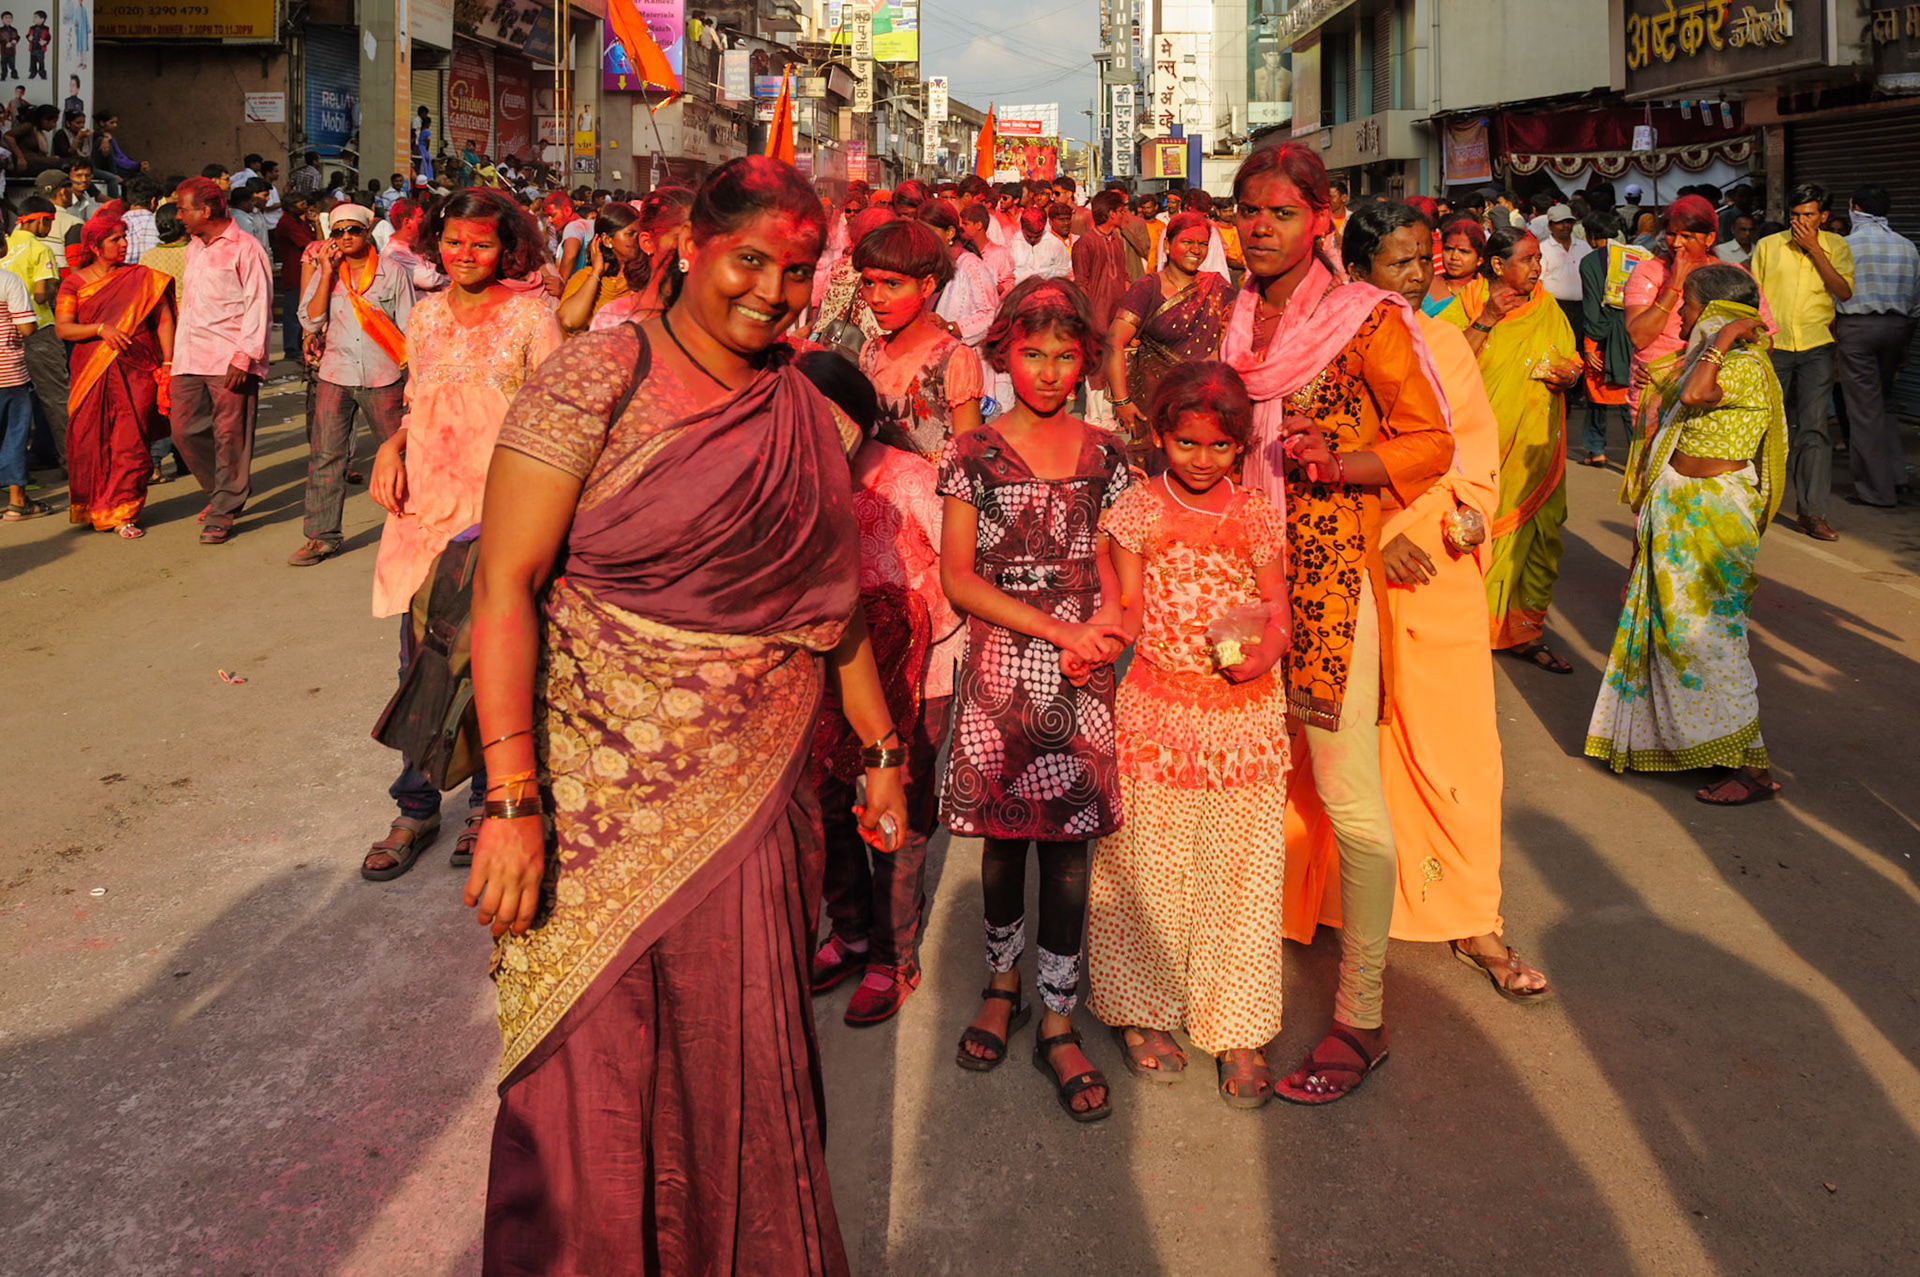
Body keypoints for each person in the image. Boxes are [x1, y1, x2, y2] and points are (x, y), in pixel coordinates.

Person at [465, 156, 901, 1275]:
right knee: (586, 1085)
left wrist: (884, 752)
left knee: (739, 1061)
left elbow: (832, 608)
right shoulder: (594, 379)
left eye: (798, 271)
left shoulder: (801, 405)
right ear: (685, 250)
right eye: (749, 260)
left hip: (752, 802)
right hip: (592, 805)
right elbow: (503, 584)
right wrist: (511, 800)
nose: (772, 290)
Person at [1222, 143, 1453, 1105]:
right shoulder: (1235, 322)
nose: (1260, 225)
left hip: (1327, 585)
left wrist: (1338, 462)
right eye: (1248, 210)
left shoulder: (1367, 322)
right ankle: (1229, 992)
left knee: (1350, 801)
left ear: (1322, 218)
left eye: (1280, 210)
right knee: (1238, 782)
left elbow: (1431, 440)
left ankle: (1361, 1017)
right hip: (1237, 570)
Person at [1289, 199, 1548, 1003]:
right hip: (1341, 563)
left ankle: (1474, 915)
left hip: (1429, 568)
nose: (1419, 275)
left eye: (1422, 261)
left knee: (1455, 744)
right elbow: (1297, 453)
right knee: (1336, 746)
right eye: (1399, 263)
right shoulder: (1321, 340)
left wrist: (1424, 525)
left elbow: (1469, 465)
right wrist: (1368, 534)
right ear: (1356, 267)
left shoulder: (1439, 343)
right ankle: (1327, 894)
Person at [940, 276, 1129, 1123]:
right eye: (1032, 352)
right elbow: (957, 578)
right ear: (1003, 354)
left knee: (1068, 850)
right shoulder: (969, 452)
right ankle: (1001, 980)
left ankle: (1057, 1015)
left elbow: (1126, 569)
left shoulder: (1108, 453)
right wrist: (1060, 631)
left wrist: (1108, 631)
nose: (1048, 370)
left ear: (1084, 359)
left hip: (1086, 673)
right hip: (1003, 670)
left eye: (1064, 354)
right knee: (1002, 842)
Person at [1086, 361, 1292, 1107]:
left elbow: (1277, 607)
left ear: (1240, 446)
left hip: (1244, 719)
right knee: (1150, 869)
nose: (1202, 459)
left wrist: (1264, 654)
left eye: (1219, 446)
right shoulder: (1139, 511)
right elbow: (1128, 602)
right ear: (1159, 437)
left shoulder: (1257, 514)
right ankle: (1143, 1012)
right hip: (1157, 712)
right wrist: (1102, 642)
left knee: (1239, 875)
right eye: (1186, 442)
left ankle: (1235, 1023)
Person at [356, 189, 559, 882]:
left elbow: (557, 419)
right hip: (424, 506)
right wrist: (392, 446)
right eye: (452, 241)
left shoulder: (534, 315)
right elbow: (420, 397)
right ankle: (415, 804)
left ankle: (486, 799)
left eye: (481, 244)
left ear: (508, 248)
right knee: (420, 659)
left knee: (487, 659)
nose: (464, 256)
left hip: (499, 510)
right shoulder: (429, 314)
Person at [1586, 264, 1786, 806]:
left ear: (1719, 312)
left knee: (1713, 639)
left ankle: (1751, 768)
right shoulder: (1707, 359)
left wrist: (1722, 337)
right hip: (1682, 509)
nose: (1683, 314)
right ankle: (1689, 745)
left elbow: (1696, 395)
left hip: (1713, 515)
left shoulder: (1740, 363)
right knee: (1674, 635)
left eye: (1692, 305)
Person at [803, 349, 960, 1027]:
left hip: (919, 674)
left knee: (898, 810)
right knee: (827, 800)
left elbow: (961, 572)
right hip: (829, 670)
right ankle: (850, 928)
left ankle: (893, 954)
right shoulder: (798, 487)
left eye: (830, 418)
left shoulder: (912, 478)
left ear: (860, 413)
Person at [1435, 227, 1582, 671]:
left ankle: (1524, 632)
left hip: (1535, 450)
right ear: (1498, 265)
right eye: (1528, 260)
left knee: (1540, 536)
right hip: (1482, 449)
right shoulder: (1465, 304)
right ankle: (1468, 631)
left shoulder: (1547, 306)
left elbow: (1569, 357)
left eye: (1539, 260)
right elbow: (1442, 364)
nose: (1537, 268)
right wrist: (1486, 320)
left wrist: (1569, 376)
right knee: (1473, 535)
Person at [290, 203, 415, 567]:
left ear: (367, 232)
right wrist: (325, 271)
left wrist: (413, 379)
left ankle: (412, 528)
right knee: (325, 455)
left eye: (353, 231)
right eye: (338, 231)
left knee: (399, 455)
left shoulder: (392, 272)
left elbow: (408, 326)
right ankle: (320, 536)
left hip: (384, 376)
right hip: (335, 374)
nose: (345, 237)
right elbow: (311, 321)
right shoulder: (328, 273)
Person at [51, 204, 175, 537]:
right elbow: (64, 328)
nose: (123, 244)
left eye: (124, 238)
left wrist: (168, 362)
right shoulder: (73, 284)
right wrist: (100, 329)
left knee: (130, 440)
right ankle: (95, 506)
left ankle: (124, 512)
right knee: (89, 438)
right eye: (114, 239)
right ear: (94, 247)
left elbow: (164, 319)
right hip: (90, 371)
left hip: (137, 369)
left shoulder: (140, 277)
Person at [1749, 182, 1854, 541]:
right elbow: (1754, 297)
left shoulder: (1837, 246)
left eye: (1808, 215)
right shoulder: (1768, 246)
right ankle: (1756, 505)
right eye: (1795, 215)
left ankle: (1812, 514)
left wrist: (1815, 251)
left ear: (1823, 217)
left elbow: (1843, 291)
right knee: (1764, 427)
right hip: (1773, 348)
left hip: (1815, 347)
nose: (1800, 222)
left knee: (1814, 430)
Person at [171, 176, 272, 545]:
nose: (178, 215)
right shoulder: (193, 248)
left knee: (231, 436)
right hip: (189, 357)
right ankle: (222, 493)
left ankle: (224, 510)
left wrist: (245, 357)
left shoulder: (247, 249)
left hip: (230, 358)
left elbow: (258, 306)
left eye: (183, 208)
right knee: (183, 431)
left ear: (206, 210)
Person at [1103, 210, 1235, 469]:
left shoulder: (1217, 287)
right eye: (1187, 242)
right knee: (1159, 481)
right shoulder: (1148, 288)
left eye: (1202, 244)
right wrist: (1122, 402)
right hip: (1156, 406)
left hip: (1205, 403)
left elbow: (1236, 340)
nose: (1195, 250)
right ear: (1168, 244)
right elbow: (1113, 342)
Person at [854, 217, 984, 457]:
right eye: (868, 283)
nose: (876, 298)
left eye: (892, 284)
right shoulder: (870, 352)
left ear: (926, 286)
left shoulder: (954, 360)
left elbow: (968, 461)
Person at [1831, 184, 1919, 509]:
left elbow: (1833, 295)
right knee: (1885, 403)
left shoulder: (1845, 246)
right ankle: (1898, 477)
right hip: (1897, 328)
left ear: (1855, 208)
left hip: (1857, 328)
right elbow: (1915, 303)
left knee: (1864, 411)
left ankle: (1875, 490)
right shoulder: (1907, 247)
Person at [585, 184, 694, 330]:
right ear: (647, 243)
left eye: (702, 240)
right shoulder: (614, 319)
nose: (692, 249)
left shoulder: (714, 317)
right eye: (679, 239)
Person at [1578, 211, 1635, 468]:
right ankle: (1637, 455)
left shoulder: (1590, 262)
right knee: (1631, 397)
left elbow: (1591, 306)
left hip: (1603, 336)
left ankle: (1596, 449)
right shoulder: (1636, 255)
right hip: (1633, 333)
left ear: (1591, 236)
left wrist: (1589, 343)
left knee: (1596, 397)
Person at [917, 198, 998, 346]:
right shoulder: (921, 263)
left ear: (950, 232)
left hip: (960, 357)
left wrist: (949, 326)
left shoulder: (970, 266)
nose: (923, 239)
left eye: (929, 233)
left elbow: (989, 316)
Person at [555, 201, 641, 335]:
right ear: (607, 240)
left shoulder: (643, 277)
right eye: (630, 234)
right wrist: (596, 273)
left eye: (640, 234)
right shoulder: (585, 277)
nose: (638, 240)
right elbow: (569, 321)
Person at [0, 242, 37, 523]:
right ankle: (16, 503)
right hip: (9, 372)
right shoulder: (9, 280)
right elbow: (26, 327)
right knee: (15, 435)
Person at [270, 189, 318, 360]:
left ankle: (298, 345)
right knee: (293, 312)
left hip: (305, 272)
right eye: (301, 204)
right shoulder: (287, 224)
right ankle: (291, 348)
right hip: (294, 272)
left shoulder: (300, 222)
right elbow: (309, 244)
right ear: (291, 206)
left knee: (302, 310)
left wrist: (316, 223)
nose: (304, 207)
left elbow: (317, 241)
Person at [1538, 202, 1588, 340]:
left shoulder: (1584, 246)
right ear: (1550, 226)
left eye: (1568, 222)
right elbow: (1538, 281)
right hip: (1554, 307)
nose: (1565, 226)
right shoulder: (1542, 248)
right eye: (1560, 222)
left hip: (1582, 309)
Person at [1425, 215, 1483, 315]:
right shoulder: (1424, 283)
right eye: (1449, 249)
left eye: (1463, 251)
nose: (1454, 257)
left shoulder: (1483, 293)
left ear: (1479, 259)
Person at [959, 202, 1013, 294]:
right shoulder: (961, 252)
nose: (961, 227)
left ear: (978, 225)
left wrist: (989, 290)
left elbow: (1008, 283)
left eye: (965, 224)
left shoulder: (998, 253)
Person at [1008, 205, 1070, 283]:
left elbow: (1064, 270)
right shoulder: (1012, 244)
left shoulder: (1055, 244)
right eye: (1029, 236)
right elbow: (1007, 274)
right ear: (1023, 229)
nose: (1033, 239)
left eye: (1037, 236)